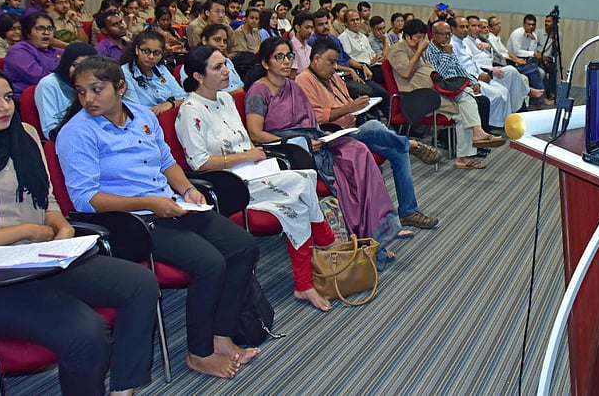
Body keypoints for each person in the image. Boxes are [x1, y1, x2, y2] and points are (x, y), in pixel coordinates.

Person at [55, 56, 261, 379]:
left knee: (243, 246)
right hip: (130, 220)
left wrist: (188, 189)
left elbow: (167, 163)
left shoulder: (141, 115)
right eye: (81, 92)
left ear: (120, 87)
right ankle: (199, 353)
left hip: (169, 205)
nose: (88, 99)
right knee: (210, 263)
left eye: (97, 89)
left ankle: (221, 335)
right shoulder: (76, 133)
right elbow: (86, 199)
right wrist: (149, 203)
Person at [0, 66, 158, 396]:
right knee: (87, 334)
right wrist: (26, 231)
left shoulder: (25, 134)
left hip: (42, 257)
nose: (4, 107)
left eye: (7, 97)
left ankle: (125, 386)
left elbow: (46, 198)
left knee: (140, 283)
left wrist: (61, 227)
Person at [176, 45, 337, 310]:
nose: (226, 71)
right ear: (198, 77)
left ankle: (305, 281)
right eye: (218, 67)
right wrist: (246, 157)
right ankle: (325, 243)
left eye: (225, 64)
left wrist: (254, 156)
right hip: (226, 183)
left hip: (251, 171)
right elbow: (199, 162)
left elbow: (243, 140)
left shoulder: (226, 99)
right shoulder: (191, 111)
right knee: (303, 181)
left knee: (299, 196)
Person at [244, 37, 406, 268]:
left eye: (289, 56)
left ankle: (374, 234)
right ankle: (356, 238)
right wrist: (300, 142)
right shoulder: (258, 91)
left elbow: (310, 121)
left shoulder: (293, 87)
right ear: (265, 63)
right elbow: (256, 133)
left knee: (358, 151)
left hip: (313, 139)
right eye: (278, 57)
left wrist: (321, 136)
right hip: (287, 148)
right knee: (345, 169)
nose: (286, 61)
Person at [296, 38, 441, 231]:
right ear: (316, 59)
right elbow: (315, 117)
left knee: (399, 153)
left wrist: (359, 105)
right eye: (331, 62)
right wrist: (350, 108)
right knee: (374, 126)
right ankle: (410, 143)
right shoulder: (303, 80)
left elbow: (347, 103)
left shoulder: (334, 77)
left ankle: (408, 212)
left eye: (336, 62)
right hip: (332, 138)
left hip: (352, 130)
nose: (335, 67)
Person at [389, 19, 505, 169]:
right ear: (407, 36)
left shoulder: (419, 48)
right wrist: (420, 51)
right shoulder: (398, 50)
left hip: (431, 91)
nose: (422, 41)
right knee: (466, 99)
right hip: (415, 96)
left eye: (423, 37)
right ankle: (473, 140)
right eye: (418, 38)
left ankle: (468, 149)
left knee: (465, 101)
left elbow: (439, 70)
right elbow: (405, 73)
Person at [35, 42, 97, 139]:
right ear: (66, 64)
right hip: (69, 139)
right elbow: (50, 130)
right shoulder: (49, 84)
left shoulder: (96, 85)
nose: (80, 71)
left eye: (87, 67)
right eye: (75, 65)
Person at [120, 30, 187, 114]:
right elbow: (135, 110)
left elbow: (183, 97)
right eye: (146, 51)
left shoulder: (161, 69)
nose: (151, 57)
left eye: (157, 53)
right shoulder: (125, 73)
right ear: (137, 50)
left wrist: (170, 104)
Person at [3, 11, 65, 101]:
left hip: (57, 95)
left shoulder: (58, 51)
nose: (46, 32)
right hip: (29, 100)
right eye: (40, 28)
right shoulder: (18, 51)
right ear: (28, 33)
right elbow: (39, 78)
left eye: (50, 28)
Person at [179, 24, 245, 95]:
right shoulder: (192, 65)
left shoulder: (227, 61)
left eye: (225, 41)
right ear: (204, 40)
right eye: (217, 40)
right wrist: (232, 94)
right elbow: (196, 94)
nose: (222, 44)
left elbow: (240, 84)